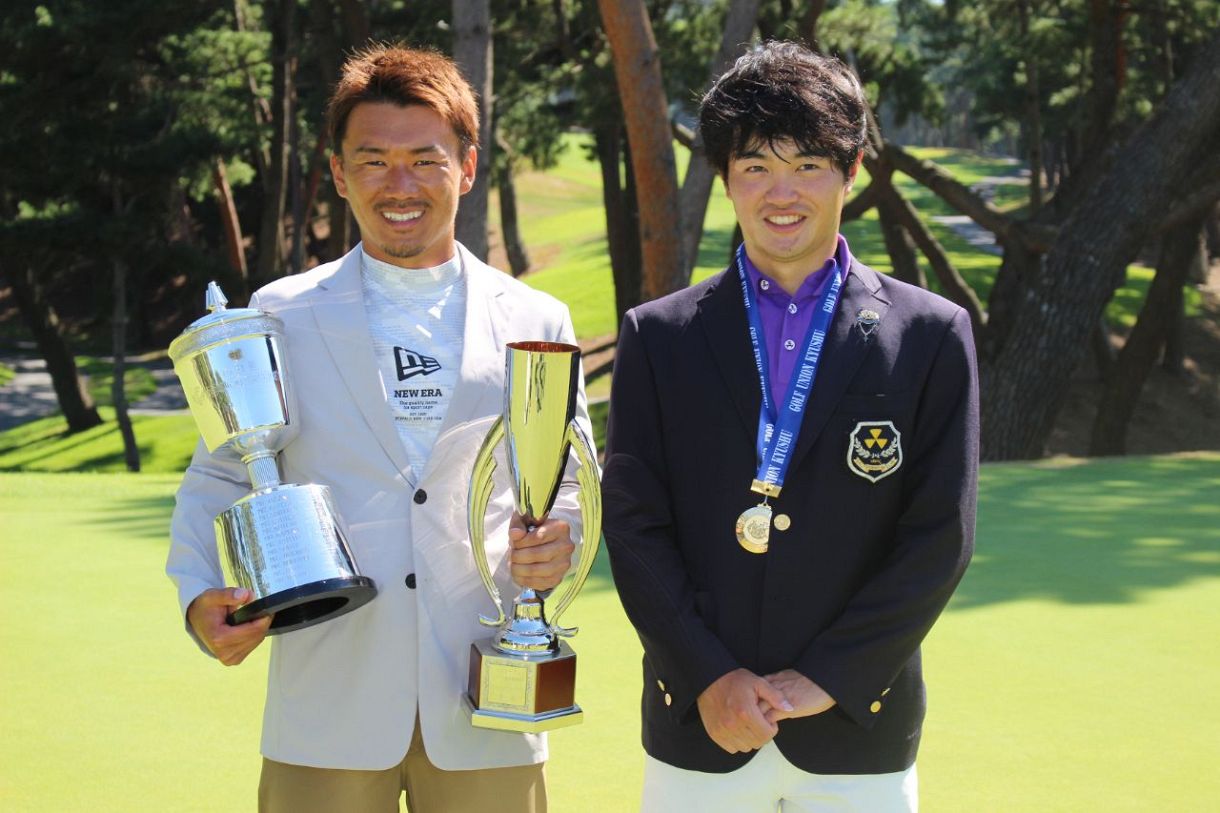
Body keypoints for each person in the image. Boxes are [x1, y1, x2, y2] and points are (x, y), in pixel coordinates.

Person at [166, 43, 590, 813]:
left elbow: (571, 479)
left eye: (424, 160)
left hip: (489, 698)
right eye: (373, 160)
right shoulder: (278, 314)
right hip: (328, 698)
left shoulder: (536, 319)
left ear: (466, 166)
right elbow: (222, 472)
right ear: (337, 173)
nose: (400, 185)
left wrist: (558, 535)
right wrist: (200, 595)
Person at [602, 41, 978, 812]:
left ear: (852, 169)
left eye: (808, 164)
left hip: (856, 729)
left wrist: (826, 678)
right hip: (698, 729)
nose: (782, 192)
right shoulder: (657, 335)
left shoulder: (933, 333)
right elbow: (635, 527)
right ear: (725, 177)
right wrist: (708, 676)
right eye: (755, 166)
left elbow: (939, 536)